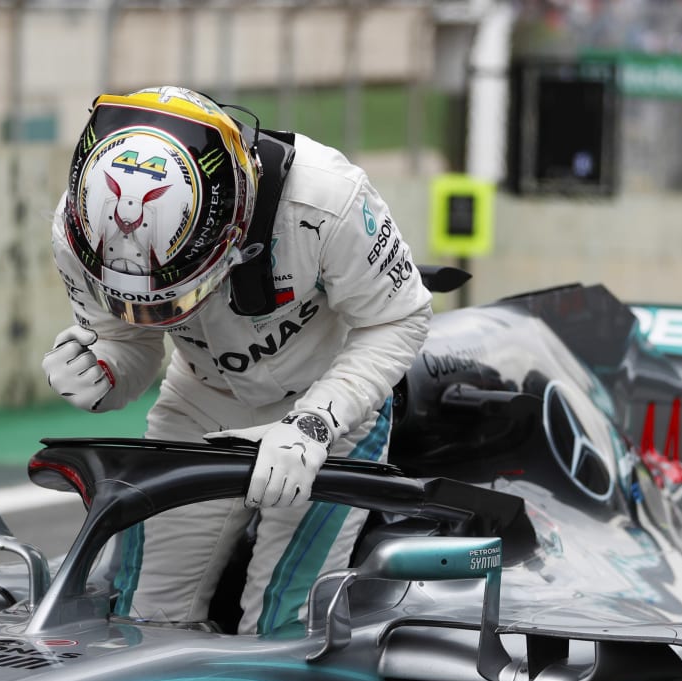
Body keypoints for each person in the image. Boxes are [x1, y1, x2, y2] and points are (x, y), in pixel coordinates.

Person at [41, 86, 432, 635]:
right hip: (199, 400)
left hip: (329, 412)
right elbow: (133, 343)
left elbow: (400, 318)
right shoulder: (77, 227)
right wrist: (104, 368)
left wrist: (316, 422)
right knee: (140, 620)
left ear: (235, 223)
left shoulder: (329, 200)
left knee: (283, 627)